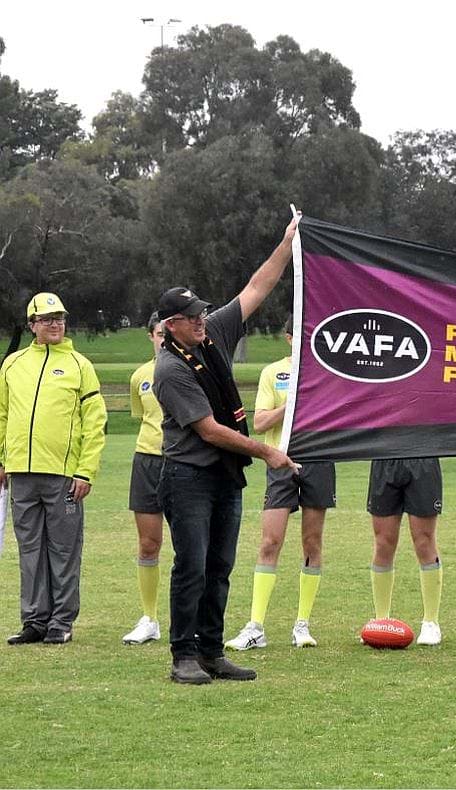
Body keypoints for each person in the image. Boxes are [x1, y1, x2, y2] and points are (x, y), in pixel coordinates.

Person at [152, 214, 300, 685]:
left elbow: (257, 288)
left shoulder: (212, 331)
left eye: (201, 313)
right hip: (189, 476)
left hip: (223, 476)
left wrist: (286, 244)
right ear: (171, 325)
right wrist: (268, 452)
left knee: (220, 566)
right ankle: (183, 655)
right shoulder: (169, 370)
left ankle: (213, 651)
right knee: (192, 565)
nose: (201, 320)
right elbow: (210, 430)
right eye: (192, 317)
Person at [1, 292, 106, 645]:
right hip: (21, 474)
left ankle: (61, 622)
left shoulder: (80, 365)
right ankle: (34, 620)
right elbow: (2, 415)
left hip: (64, 475)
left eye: (59, 317)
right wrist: (2, 459)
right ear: (32, 325)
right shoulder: (12, 364)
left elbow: (95, 423)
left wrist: (85, 470)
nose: (55, 324)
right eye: (46, 319)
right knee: (29, 549)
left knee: (63, 550)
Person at [226, 324, 337, 651]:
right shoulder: (273, 373)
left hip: (318, 461)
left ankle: (302, 625)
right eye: (297, 334)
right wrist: (292, 405)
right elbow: (259, 423)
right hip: (279, 461)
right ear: (289, 338)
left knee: (312, 542)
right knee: (270, 541)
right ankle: (255, 626)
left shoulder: (326, 373)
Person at [122, 313, 167, 645]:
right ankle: (149, 618)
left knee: (191, 546)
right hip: (147, 461)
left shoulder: (195, 371)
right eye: (159, 333)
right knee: (148, 543)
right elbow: (143, 418)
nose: (164, 339)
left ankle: (191, 618)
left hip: (184, 462)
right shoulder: (139, 376)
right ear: (151, 336)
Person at [367, 458, 446, 646]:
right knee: (384, 542)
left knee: (424, 541)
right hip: (384, 458)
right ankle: (381, 620)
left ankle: (430, 622)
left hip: (422, 457)